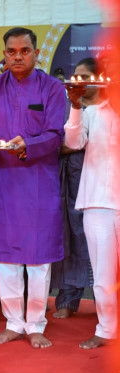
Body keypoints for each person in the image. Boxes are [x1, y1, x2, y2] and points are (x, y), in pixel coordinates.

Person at [0, 27, 65, 349]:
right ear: (4, 53)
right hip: (2, 179)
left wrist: (27, 143)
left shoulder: (53, 88)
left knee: (39, 256)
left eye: (24, 51)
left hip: (39, 181)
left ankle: (37, 323)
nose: (17, 56)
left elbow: (57, 135)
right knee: (4, 255)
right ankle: (14, 321)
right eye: (11, 51)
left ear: (36, 53)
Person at [63, 58, 119, 349]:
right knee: (103, 275)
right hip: (97, 203)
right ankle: (106, 329)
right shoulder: (91, 113)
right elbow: (73, 142)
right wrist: (75, 106)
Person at [50, 58, 94, 320]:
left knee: (96, 239)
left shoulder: (105, 109)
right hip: (64, 179)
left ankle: (108, 305)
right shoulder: (65, 105)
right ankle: (67, 300)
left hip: (97, 182)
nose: (78, 80)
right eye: (75, 75)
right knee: (68, 235)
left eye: (85, 76)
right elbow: (61, 141)